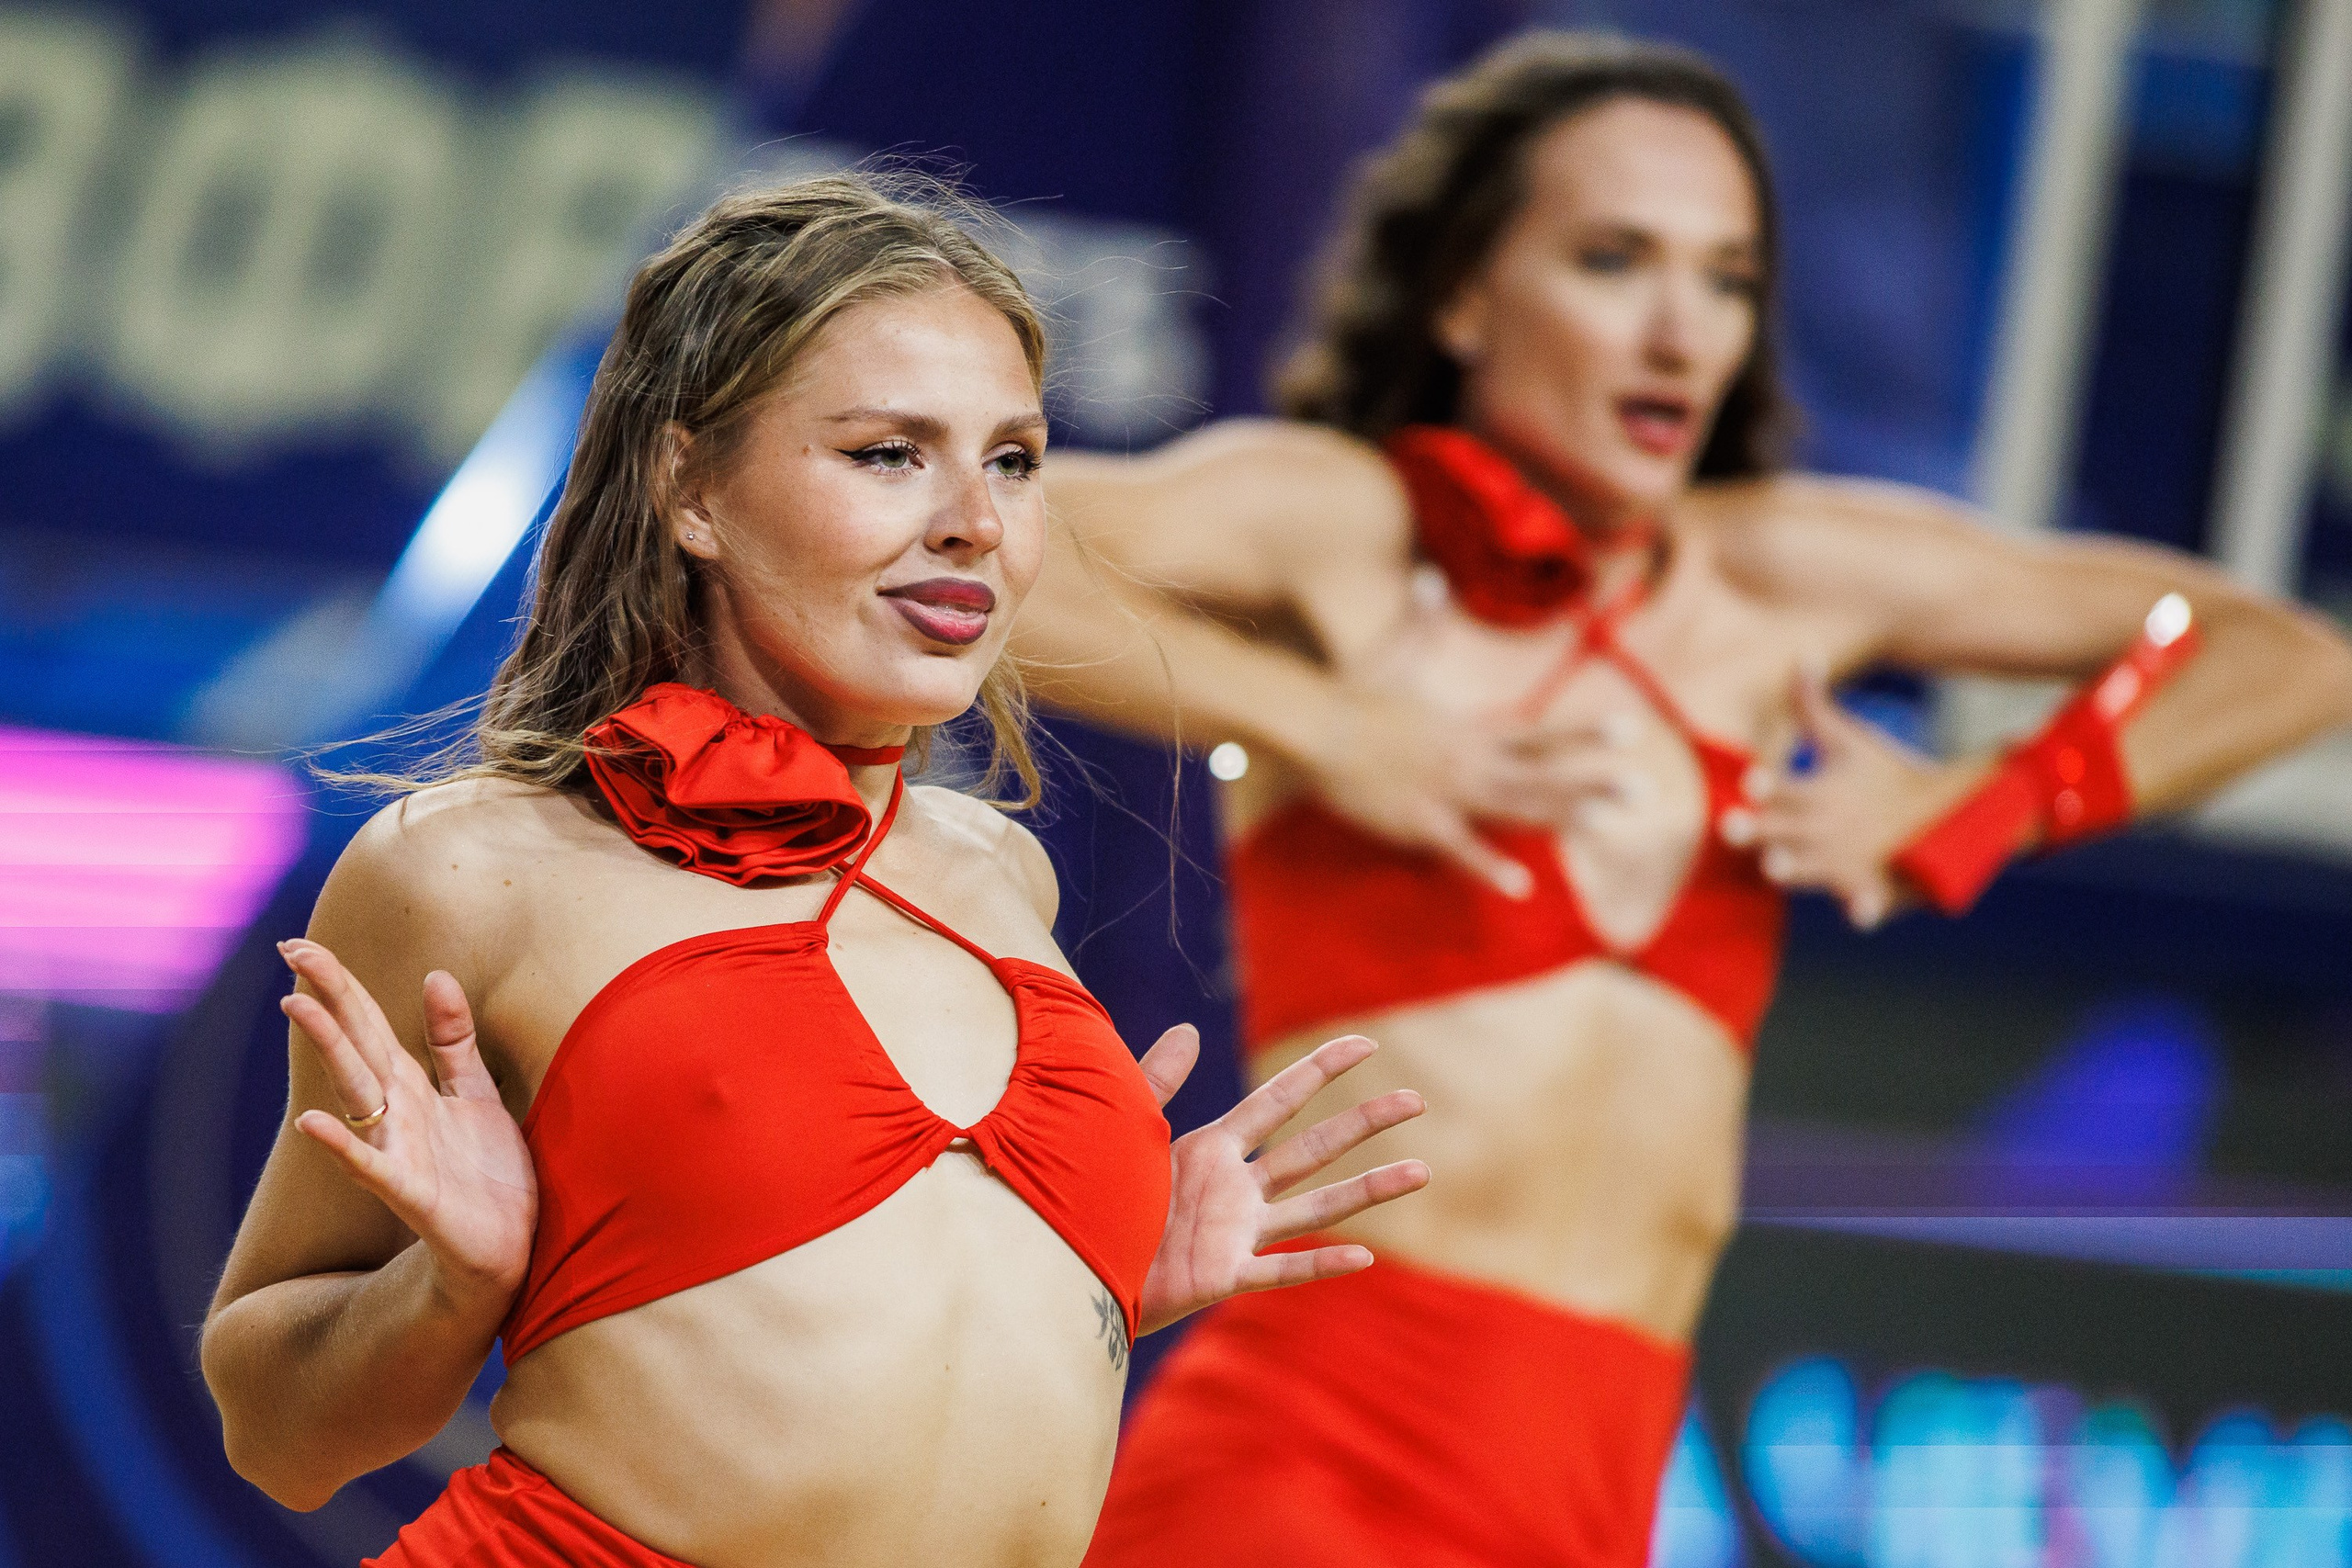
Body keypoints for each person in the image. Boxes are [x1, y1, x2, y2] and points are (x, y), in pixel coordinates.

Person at [1016, 31, 2352, 1568]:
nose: (1677, 331)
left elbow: (2276, 657)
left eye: (1724, 279)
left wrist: (1987, 800)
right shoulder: (1354, 525)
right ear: (1464, 297)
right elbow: (975, 542)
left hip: (1598, 1495)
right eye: (1612, 260)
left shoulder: (1789, 573)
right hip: (1309, 1461)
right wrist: (1325, 721)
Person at [198, 172, 1431, 1568]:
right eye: (889, 454)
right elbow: (278, 1439)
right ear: (691, 490)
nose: (976, 519)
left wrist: (1086, 1273)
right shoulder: (473, 865)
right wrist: (449, 1287)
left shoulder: (1001, 874)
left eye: (1015, 459)